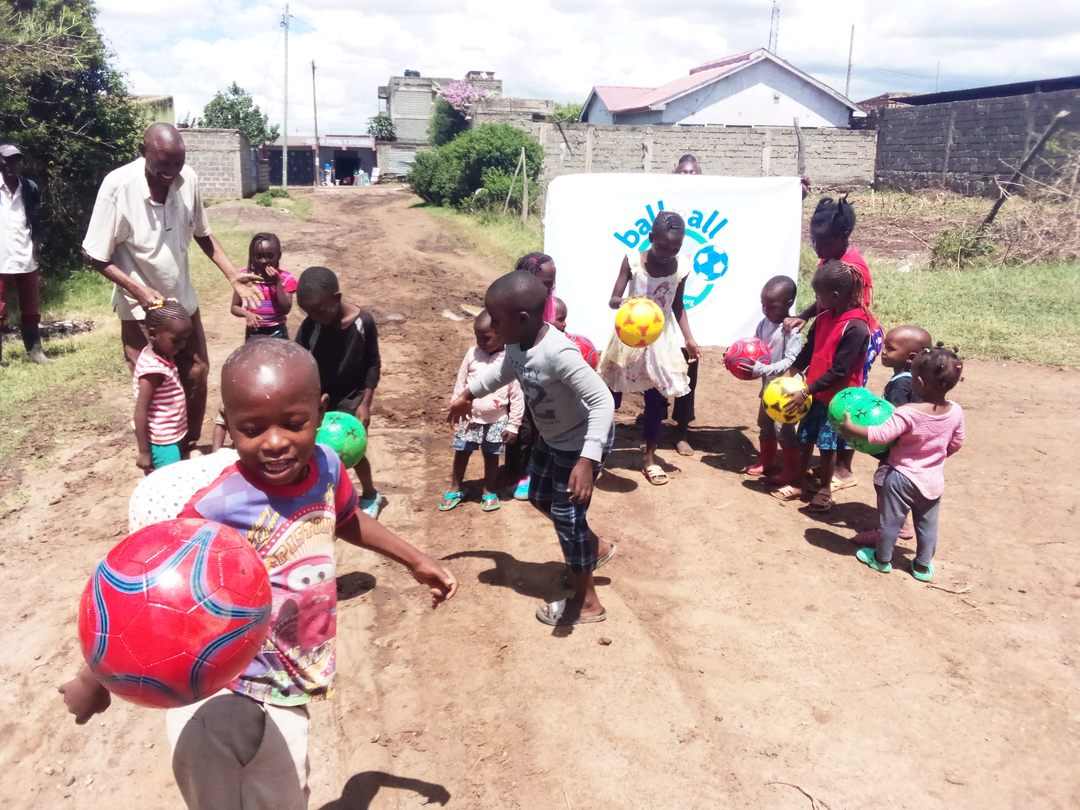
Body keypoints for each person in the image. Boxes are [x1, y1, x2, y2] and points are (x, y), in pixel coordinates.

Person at [60, 339, 457, 810]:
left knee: (285, 792)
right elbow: (146, 597)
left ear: (320, 412)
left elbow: (344, 517)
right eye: (252, 429)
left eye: (294, 423)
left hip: (288, 681)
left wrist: (414, 558)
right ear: (227, 425)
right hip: (230, 691)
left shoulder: (327, 467)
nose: (274, 442)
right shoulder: (215, 507)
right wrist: (95, 678)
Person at [449, 271, 616, 626]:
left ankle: (587, 603)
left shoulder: (558, 352)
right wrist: (468, 395)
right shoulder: (516, 344)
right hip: (553, 440)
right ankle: (594, 547)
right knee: (540, 497)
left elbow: (602, 401)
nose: (492, 326)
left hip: (581, 445)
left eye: (497, 319)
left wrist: (587, 460)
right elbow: (502, 374)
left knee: (568, 518)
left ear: (522, 319)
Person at [83, 123, 258, 453]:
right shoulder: (117, 186)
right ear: (143, 152)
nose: (172, 172)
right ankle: (156, 451)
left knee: (196, 372)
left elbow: (203, 233)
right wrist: (138, 290)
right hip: (142, 311)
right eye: (164, 163)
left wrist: (232, 274)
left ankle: (186, 443)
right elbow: (93, 255)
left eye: (179, 162)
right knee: (154, 382)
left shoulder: (187, 179)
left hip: (182, 305)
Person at [839, 344, 965, 582]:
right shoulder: (956, 411)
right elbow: (957, 442)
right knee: (927, 525)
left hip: (900, 477)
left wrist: (850, 428)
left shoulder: (908, 412)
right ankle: (922, 566)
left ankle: (882, 560)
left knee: (890, 522)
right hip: (932, 479)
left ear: (919, 381)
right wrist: (936, 457)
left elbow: (880, 435)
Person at [784, 195, 882, 491]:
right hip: (834, 328)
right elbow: (826, 301)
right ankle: (829, 462)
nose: (816, 247)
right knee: (824, 403)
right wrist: (805, 316)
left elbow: (852, 310)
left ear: (843, 235)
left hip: (854, 338)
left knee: (845, 401)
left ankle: (843, 469)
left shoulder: (854, 269)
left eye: (821, 242)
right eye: (813, 240)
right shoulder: (830, 259)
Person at [598, 211, 702, 486]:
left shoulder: (681, 267)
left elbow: (677, 305)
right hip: (628, 339)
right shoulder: (633, 260)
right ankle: (597, 454)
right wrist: (623, 303)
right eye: (662, 246)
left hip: (660, 341)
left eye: (675, 248)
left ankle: (650, 457)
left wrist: (689, 338)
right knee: (610, 397)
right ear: (650, 238)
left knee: (656, 399)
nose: (668, 253)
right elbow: (613, 298)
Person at [773, 260, 871, 512]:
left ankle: (825, 490)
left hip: (839, 399)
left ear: (835, 295)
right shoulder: (825, 317)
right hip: (815, 392)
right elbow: (809, 349)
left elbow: (840, 370)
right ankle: (799, 483)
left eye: (819, 295)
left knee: (828, 446)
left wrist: (806, 390)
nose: (816, 300)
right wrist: (793, 371)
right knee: (805, 437)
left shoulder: (857, 327)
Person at [294, 266, 384, 518]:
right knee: (317, 450)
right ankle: (326, 497)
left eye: (320, 310)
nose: (315, 317)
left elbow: (373, 363)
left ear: (337, 298)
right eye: (309, 312)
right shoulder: (312, 325)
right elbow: (298, 357)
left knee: (352, 449)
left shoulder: (363, 322)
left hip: (353, 398)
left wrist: (365, 403)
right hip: (321, 399)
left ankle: (370, 494)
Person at [850, 324, 933, 547]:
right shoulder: (919, 379)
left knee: (884, 484)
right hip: (917, 445)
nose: (883, 351)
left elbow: (895, 420)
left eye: (890, 348)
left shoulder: (901, 383)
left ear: (911, 357)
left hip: (899, 447)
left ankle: (888, 529)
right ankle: (901, 524)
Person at [441, 310, 523, 513]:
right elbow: (461, 382)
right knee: (462, 451)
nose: (480, 342)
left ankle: (489, 490)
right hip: (469, 417)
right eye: (477, 336)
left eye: (486, 338)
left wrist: (513, 425)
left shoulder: (510, 359)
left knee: (491, 455)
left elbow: (517, 395)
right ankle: (455, 488)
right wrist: (456, 406)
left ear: (501, 334)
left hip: (497, 419)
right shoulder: (472, 354)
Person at [738, 276, 804, 483]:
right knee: (765, 424)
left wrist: (764, 369)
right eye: (763, 304)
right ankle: (766, 461)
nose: (766, 310)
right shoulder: (763, 324)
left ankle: (791, 469)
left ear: (789, 303)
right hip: (768, 388)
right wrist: (735, 357)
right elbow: (755, 348)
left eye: (772, 306)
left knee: (783, 429)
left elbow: (791, 362)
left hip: (787, 392)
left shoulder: (793, 331)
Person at [505, 252, 558, 500]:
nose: (549, 289)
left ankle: (534, 470)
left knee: (540, 426)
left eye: (552, 283)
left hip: (541, 376)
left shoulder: (549, 304)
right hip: (518, 375)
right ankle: (516, 474)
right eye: (545, 284)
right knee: (521, 426)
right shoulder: (511, 304)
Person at [0, 143, 50, 364]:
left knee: (30, 306)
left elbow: (34, 220)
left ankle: (35, 351)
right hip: (1, 255)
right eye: (7, 160)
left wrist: (37, 250)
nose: (12, 165)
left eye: (16, 160)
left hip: (25, 253)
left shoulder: (29, 188)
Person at [133, 299, 193, 473]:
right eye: (176, 340)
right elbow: (140, 412)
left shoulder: (162, 352)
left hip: (171, 433)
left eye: (185, 340)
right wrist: (144, 452)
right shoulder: (153, 370)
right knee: (170, 478)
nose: (181, 346)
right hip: (162, 441)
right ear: (153, 333)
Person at [231, 232, 296, 340]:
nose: (264, 261)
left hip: (278, 331)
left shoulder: (286, 278)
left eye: (270, 256)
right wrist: (247, 314)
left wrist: (277, 282)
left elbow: (286, 309)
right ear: (252, 256)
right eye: (259, 256)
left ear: (279, 256)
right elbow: (234, 307)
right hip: (254, 330)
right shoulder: (245, 277)